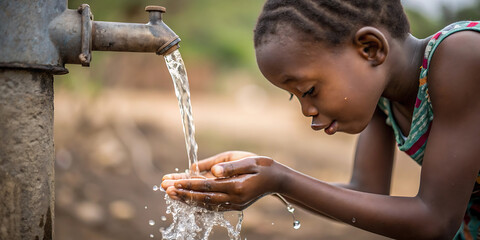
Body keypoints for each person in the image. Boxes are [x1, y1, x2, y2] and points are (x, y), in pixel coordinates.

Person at [161, 0, 480, 239]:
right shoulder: (384, 101)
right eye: (296, 96)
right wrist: (264, 182)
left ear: (370, 49)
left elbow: (435, 220)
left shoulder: (462, 56)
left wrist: (280, 179)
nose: (307, 111)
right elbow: (366, 192)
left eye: (309, 90)